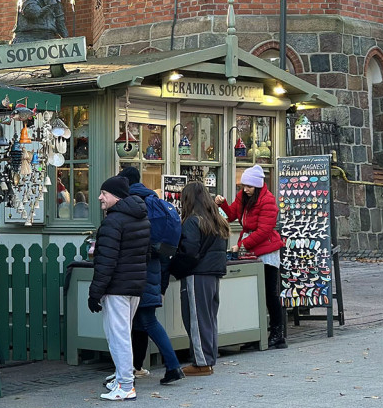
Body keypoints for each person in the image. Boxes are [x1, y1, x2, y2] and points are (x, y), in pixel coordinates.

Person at [116, 166, 186, 387]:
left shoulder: (133, 204)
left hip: (139, 269)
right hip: (154, 267)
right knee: (140, 322)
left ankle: (173, 366)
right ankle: (134, 367)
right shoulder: (152, 200)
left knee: (147, 321)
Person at [88, 175, 150, 401]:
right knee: (124, 334)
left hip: (117, 287)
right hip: (134, 285)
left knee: (118, 337)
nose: (99, 198)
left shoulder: (113, 222)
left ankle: (125, 385)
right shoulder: (140, 217)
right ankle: (121, 377)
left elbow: (106, 262)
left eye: (103, 194)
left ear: (115, 196)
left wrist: (95, 293)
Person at [215, 165, 286, 348]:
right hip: (250, 246)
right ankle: (258, 332)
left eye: (249, 186)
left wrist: (242, 245)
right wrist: (222, 203)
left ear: (258, 186)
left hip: (266, 250)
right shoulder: (242, 197)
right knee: (253, 293)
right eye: (243, 185)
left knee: (269, 292)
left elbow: (264, 230)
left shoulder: (268, 201)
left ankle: (277, 333)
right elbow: (231, 215)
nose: (245, 189)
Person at [171, 182, 229, 375]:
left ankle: (201, 362)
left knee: (196, 318)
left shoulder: (192, 221)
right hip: (213, 273)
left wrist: (174, 266)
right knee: (209, 318)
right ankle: (208, 358)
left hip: (197, 274)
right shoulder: (217, 220)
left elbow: (189, 252)